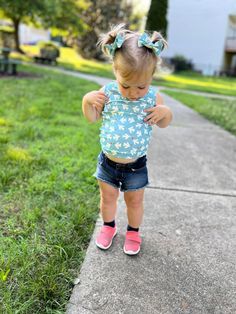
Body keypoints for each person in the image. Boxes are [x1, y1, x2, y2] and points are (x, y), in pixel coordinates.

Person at [82, 24, 172, 256]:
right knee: (108, 198)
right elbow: (92, 118)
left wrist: (165, 113)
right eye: (126, 85)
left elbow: (164, 123)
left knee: (134, 202)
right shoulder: (107, 93)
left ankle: (133, 232)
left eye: (141, 86)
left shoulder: (153, 98)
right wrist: (87, 101)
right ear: (115, 71)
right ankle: (109, 227)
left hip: (136, 165)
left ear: (151, 76)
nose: (133, 93)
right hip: (108, 162)